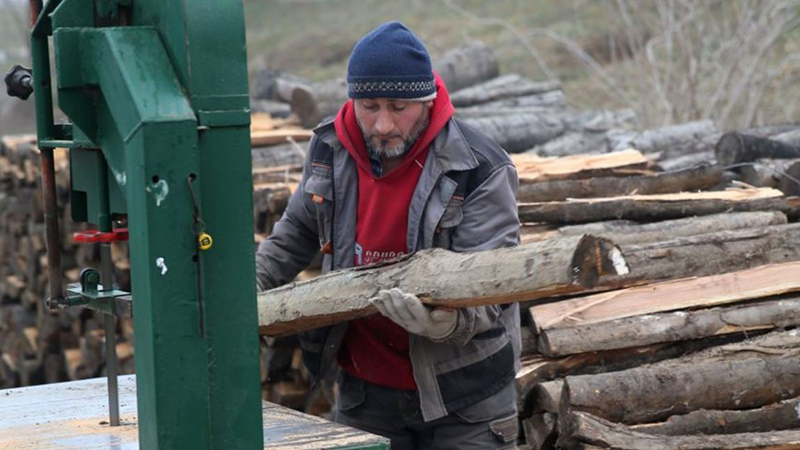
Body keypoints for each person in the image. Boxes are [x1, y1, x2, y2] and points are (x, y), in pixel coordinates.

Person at [256, 21, 521, 450]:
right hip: (366, 391)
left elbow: (493, 281)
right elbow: (295, 233)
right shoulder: (329, 149)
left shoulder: (480, 168)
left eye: (399, 107)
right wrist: (251, 286)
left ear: (427, 99)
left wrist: (447, 321)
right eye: (369, 106)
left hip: (466, 397)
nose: (382, 124)